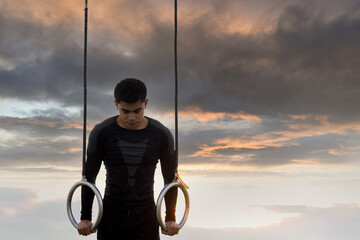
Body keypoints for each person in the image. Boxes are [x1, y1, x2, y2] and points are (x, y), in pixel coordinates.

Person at [77, 78, 180, 240]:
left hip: (146, 218)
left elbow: (171, 180)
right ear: (116, 104)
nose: (132, 117)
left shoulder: (162, 134)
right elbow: (89, 178)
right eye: (125, 111)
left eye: (137, 111)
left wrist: (170, 217)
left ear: (146, 104)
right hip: (111, 216)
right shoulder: (101, 132)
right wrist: (85, 217)